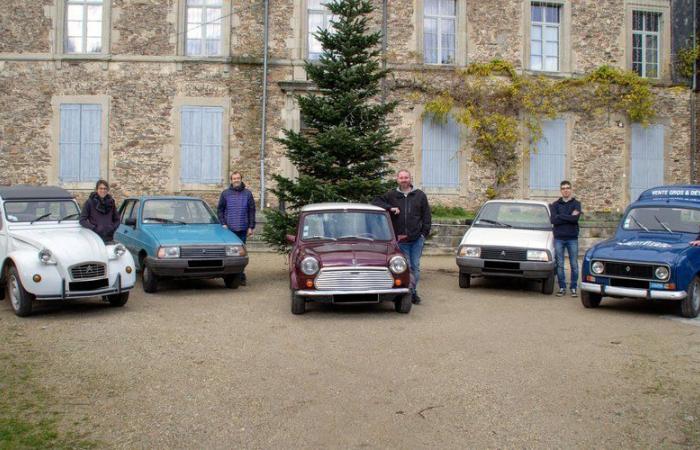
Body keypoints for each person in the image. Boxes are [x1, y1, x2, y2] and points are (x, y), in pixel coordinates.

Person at [373, 169, 431, 304]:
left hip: (417, 238)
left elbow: (426, 216)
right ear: (397, 179)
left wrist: (423, 234)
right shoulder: (391, 195)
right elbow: (376, 201)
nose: (404, 180)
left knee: (415, 266)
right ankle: (407, 292)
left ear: (410, 179)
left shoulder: (420, 195)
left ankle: (413, 292)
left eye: (406, 177)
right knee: (407, 266)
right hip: (401, 239)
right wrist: (390, 208)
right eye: (401, 177)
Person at [217, 171, 256, 285]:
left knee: (240, 253)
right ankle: (230, 276)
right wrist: (223, 223)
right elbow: (220, 210)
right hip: (229, 229)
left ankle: (240, 276)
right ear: (231, 180)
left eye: (238, 178)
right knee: (229, 253)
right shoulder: (225, 194)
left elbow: (251, 211)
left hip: (243, 228)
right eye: (234, 178)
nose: (236, 180)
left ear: (241, 179)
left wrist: (251, 227)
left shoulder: (248, 194)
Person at [550, 180, 582, 297]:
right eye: (563, 188)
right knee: (560, 264)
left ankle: (573, 287)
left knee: (574, 264)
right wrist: (568, 216)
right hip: (559, 238)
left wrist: (560, 216)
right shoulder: (555, 205)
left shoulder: (576, 204)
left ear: (571, 189)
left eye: (567, 188)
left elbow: (575, 219)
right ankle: (562, 287)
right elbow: (553, 220)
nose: (566, 190)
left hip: (572, 238)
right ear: (560, 190)